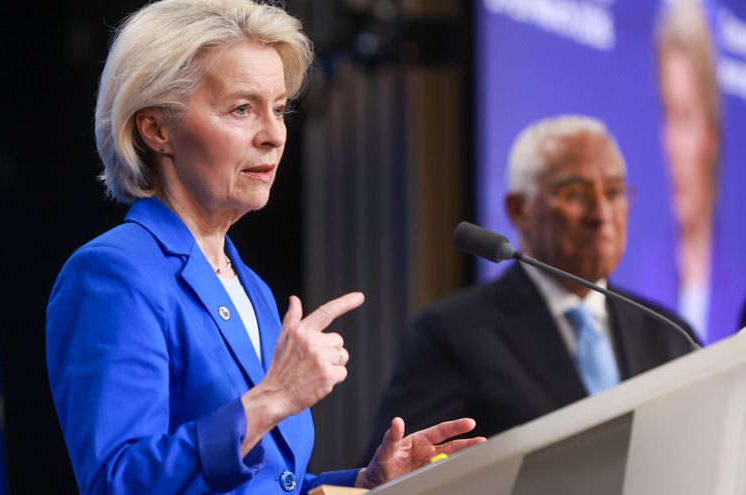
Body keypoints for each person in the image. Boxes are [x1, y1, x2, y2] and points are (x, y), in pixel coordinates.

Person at [45, 1, 484, 494]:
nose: (274, 135)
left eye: (278, 109)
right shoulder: (115, 273)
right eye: (242, 109)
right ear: (156, 129)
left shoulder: (249, 287)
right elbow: (116, 482)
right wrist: (270, 400)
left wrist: (368, 481)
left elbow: (269, 482)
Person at [363, 115, 696, 457]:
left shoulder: (668, 334)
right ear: (519, 209)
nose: (601, 213)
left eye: (613, 192)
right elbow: (393, 472)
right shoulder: (451, 334)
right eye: (576, 194)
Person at [654, 0, 732, 341]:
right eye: (667, 114)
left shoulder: (738, 281)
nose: (671, 145)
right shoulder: (646, 274)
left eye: (685, 117)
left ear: (712, 134)